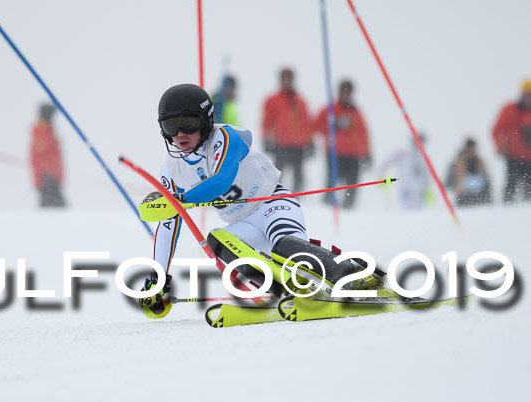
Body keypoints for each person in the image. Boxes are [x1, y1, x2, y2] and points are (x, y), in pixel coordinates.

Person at [138, 84, 380, 318]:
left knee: (285, 246)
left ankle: (352, 276)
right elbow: (169, 224)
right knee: (218, 242)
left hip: (272, 205)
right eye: (171, 126)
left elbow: (222, 180)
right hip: (241, 222)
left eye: (189, 124)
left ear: (206, 120)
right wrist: (157, 278)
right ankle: (288, 293)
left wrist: (180, 200)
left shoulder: (224, 137)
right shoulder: (171, 170)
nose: (180, 134)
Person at [313, 79, 371, 209]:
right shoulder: (330, 110)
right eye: (343, 90)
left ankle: (348, 210)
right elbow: (316, 127)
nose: (346, 94)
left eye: (348, 91)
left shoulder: (356, 112)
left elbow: (364, 134)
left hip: (354, 155)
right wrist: (333, 125)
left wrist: (367, 153)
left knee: (352, 185)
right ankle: (326, 208)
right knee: (331, 182)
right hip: (335, 153)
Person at [261, 68, 314, 192]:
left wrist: (310, 142)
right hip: (280, 144)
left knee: (298, 175)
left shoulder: (301, 102)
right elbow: (266, 121)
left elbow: (307, 123)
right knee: (278, 174)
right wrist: (266, 137)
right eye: (284, 79)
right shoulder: (272, 100)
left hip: (298, 145)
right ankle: (275, 195)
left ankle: (298, 198)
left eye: (289, 79)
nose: (287, 82)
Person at [492, 79, 531, 204]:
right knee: (511, 185)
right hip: (513, 156)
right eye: (527, 94)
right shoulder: (510, 109)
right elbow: (497, 130)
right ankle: (506, 210)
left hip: (530, 158)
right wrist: (501, 146)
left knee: (529, 188)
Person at [379, 133, 432, 210]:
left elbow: (426, 174)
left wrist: (428, 188)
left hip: (420, 192)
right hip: (406, 190)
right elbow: (385, 164)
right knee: (407, 212)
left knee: (418, 214)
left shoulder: (424, 157)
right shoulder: (403, 153)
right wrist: (382, 175)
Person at [30, 102, 66, 207]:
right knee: (56, 210)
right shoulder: (40, 133)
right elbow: (38, 156)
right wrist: (46, 174)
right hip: (46, 179)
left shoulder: (48, 131)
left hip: (52, 178)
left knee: (57, 210)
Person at [446, 138, 492, 207]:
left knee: (482, 182)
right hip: (463, 185)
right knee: (463, 184)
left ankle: (484, 202)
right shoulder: (460, 159)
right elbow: (454, 175)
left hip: (476, 184)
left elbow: (485, 174)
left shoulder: (478, 159)